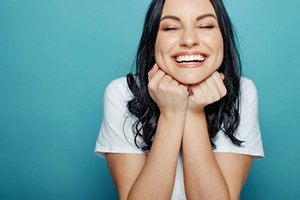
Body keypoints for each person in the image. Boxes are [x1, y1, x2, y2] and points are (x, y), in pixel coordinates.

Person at [95, 0, 264, 199]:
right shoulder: (123, 93)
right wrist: (172, 113)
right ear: (152, 44)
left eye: (205, 26)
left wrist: (194, 111)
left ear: (223, 39)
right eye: (171, 27)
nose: (189, 40)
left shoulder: (241, 92)